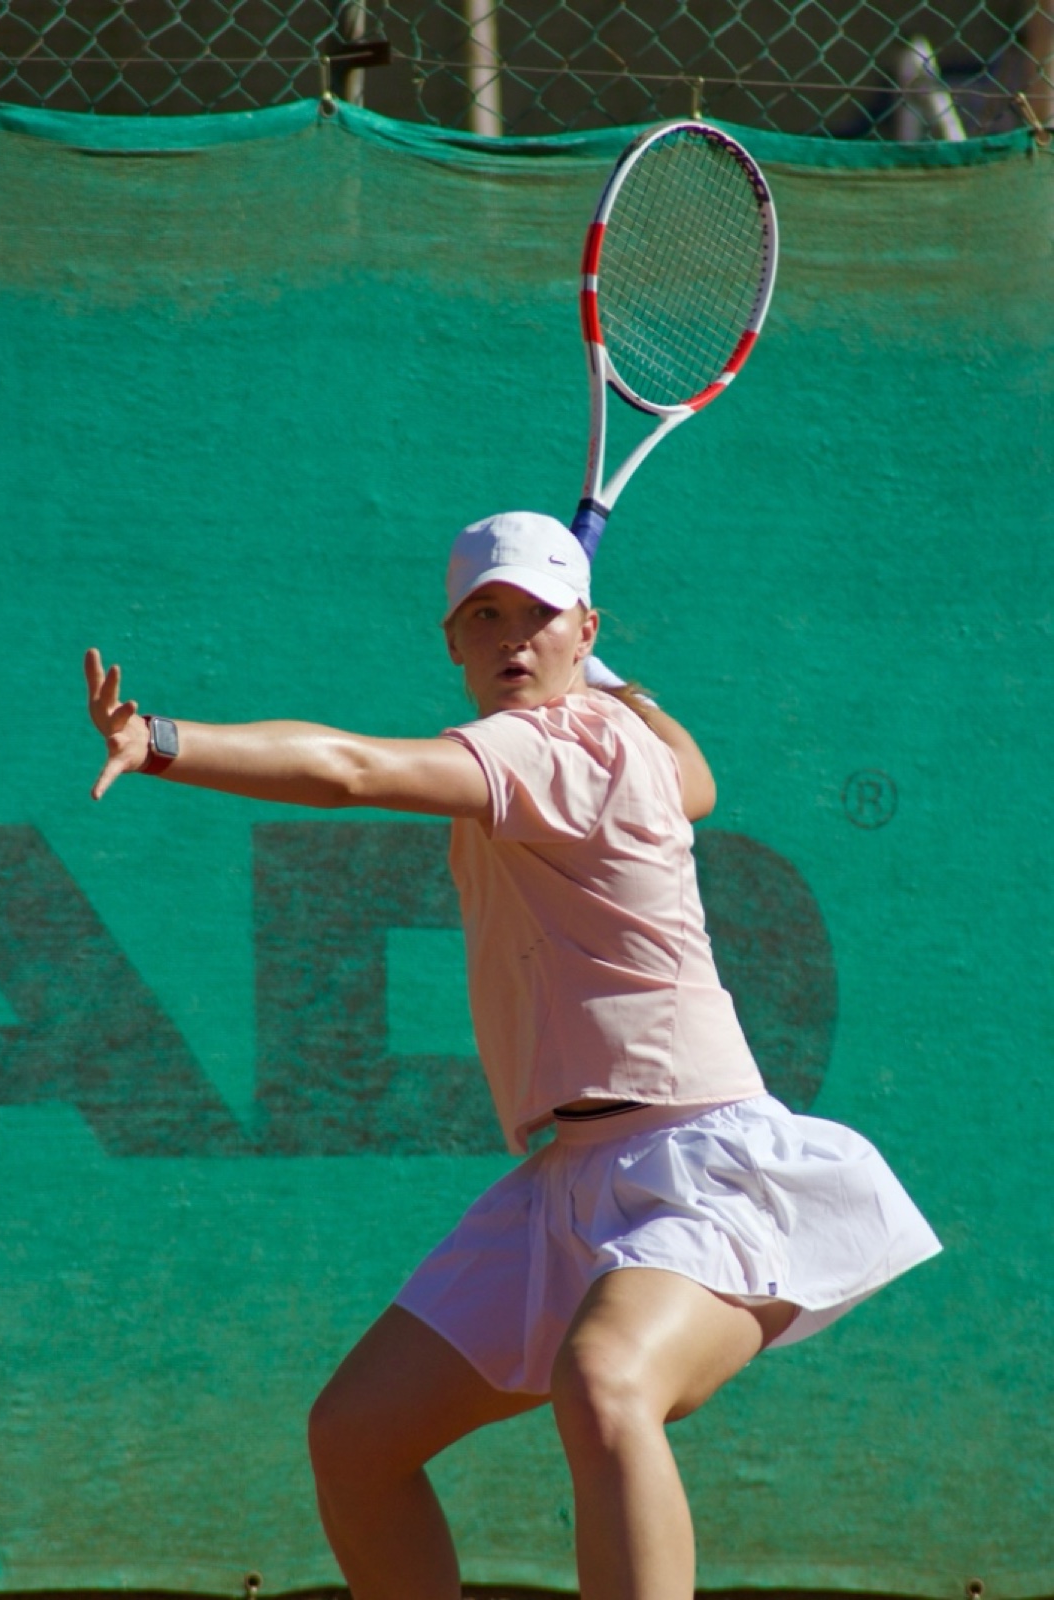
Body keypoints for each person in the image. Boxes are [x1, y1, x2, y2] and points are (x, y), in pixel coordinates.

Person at [85, 509, 941, 1600]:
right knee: (355, 1436)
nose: (508, 638)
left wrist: (160, 739)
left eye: (536, 617)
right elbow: (697, 777)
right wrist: (613, 676)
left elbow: (347, 770)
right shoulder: (620, 740)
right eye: (482, 616)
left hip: (697, 1161)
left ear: (582, 625)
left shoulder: (553, 748)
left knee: (604, 1381)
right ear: (451, 642)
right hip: (566, 1181)